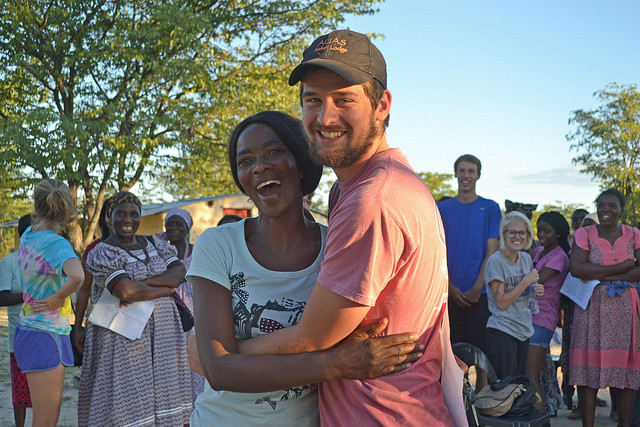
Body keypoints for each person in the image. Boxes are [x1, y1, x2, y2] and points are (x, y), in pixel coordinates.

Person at [234, 30, 466, 425]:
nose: (325, 117)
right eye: (312, 100)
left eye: (344, 100)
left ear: (381, 105)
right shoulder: (368, 185)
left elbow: (314, 337)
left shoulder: (372, 201)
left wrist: (223, 355)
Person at [187, 110, 426, 425]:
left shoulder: (340, 249)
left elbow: (382, 330)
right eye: (245, 161)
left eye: (274, 152)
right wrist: (336, 364)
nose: (259, 166)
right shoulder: (218, 245)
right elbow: (218, 371)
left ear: (302, 162)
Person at [78, 192, 192, 426]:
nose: (127, 219)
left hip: (163, 336)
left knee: (163, 391)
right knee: (126, 401)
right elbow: (124, 291)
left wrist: (140, 284)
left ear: (140, 216)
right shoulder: (103, 252)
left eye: (133, 214)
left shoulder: (156, 244)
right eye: (120, 213)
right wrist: (164, 289)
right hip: (124, 338)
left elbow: (179, 273)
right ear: (109, 218)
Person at [12, 179, 85, 426]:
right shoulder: (57, 244)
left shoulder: (28, 236)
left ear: (37, 205)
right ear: (66, 210)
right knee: (45, 422)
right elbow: (78, 276)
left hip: (29, 331)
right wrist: (57, 298)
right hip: (46, 335)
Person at [569, 188, 640, 427]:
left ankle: (625, 424)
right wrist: (621, 270)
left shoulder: (634, 234)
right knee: (587, 371)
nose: (605, 210)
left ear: (621, 210)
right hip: (591, 307)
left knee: (626, 373)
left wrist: (599, 275)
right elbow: (577, 269)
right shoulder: (584, 233)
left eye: (611, 206)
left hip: (624, 308)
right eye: (601, 205)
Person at [438, 154, 502, 359]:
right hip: (448, 294)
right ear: (455, 173)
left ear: (478, 175)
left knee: (482, 356)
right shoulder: (441, 209)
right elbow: (436, 253)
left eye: (471, 171)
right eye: (462, 170)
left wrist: (477, 288)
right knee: (449, 356)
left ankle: (482, 393)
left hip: (480, 294)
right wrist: (449, 289)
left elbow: (492, 252)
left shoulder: (491, 208)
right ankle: (454, 393)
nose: (466, 175)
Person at [484, 211, 544, 378]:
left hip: (524, 329)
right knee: (506, 390)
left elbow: (527, 290)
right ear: (504, 234)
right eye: (512, 232)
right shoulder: (495, 261)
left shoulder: (525, 258)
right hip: (503, 330)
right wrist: (526, 281)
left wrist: (537, 289)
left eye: (522, 232)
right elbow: (501, 303)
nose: (518, 237)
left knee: (520, 388)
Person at [158, 207, 205, 400]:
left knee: (193, 365)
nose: (173, 227)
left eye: (179, 224)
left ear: (188, 228)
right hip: (164, 319)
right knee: (168, 368)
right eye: (170, 223)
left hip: (193, 320)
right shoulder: (158, 252)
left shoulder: (198, 252)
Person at [527, 211, 570, 413]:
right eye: (539, 229)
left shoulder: (560, 257)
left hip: (543, 319)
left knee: (531, 374)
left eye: (547, 231)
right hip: (526, 316)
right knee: (528, 374)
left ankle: (541, 420)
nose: (541, 234)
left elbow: (535, 279)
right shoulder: (538, 252)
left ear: (558, 233)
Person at [0, 214, 32, 427]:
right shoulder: (9, 261)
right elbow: (2, 297)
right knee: (20, 392)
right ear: (24, 234)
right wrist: (29, 295)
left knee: (44, 392)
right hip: (19, 339)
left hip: (46, 335)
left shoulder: (50, 261)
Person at [73, 196, 111, 357]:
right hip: (101, 324)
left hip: (136, 325)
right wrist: (77, 328)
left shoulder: (143, 248)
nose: (124, 219)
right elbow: (83, 290)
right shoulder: (94, 249)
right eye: (115, 214)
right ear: (104, 219)